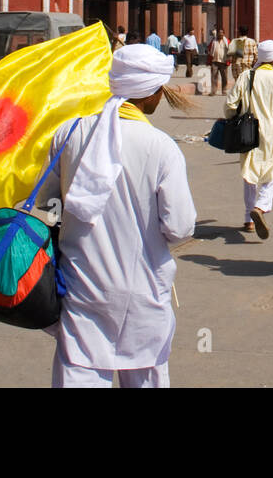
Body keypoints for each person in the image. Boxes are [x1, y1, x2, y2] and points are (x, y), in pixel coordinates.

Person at [41, 45, 197, 388]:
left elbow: (48, 200)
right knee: (145, 375)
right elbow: (180, 227)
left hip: (82, 288)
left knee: (78, 372)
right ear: (152, 93)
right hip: (143, 291)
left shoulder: (69, 133)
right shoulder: (161, 147)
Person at [225, 39, 273, 239]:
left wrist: (230, 117)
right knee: (271, 173)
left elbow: (230, 104)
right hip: (271, 132)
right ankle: (261, 207)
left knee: (249, 174)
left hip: (248, 132)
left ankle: (249, 219)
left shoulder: (246, 76)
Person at [208, 28, 231, 94]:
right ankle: (213, 91)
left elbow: (230, 51)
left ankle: (224, 90)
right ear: (217, 34)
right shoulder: (213, 41)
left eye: (222, 33)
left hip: (224, 62)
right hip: (214, 61)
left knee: (224, 77)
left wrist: (229, 59)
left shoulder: (227, 41)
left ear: (224, 33)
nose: (220, 34)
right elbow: (209, 50)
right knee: (213, 77)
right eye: (219, 33)